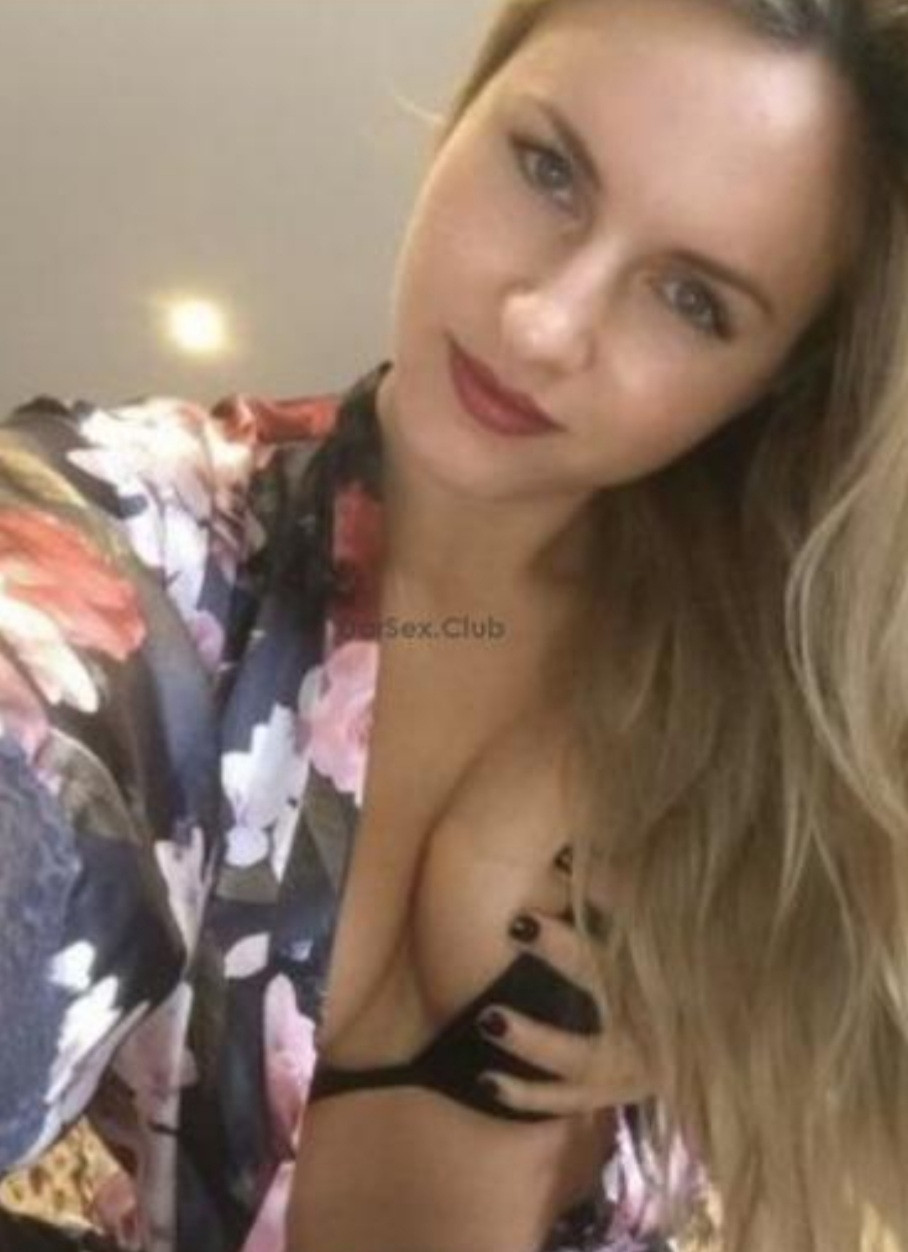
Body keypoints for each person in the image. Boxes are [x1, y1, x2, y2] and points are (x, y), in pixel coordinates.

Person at [1, 0, 907, 1248]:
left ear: (776, 379)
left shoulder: (797, 711)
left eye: (692, 300)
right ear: (463, 114)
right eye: (547, 169)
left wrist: (751, 984)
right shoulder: (145, 548)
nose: (544, 324)